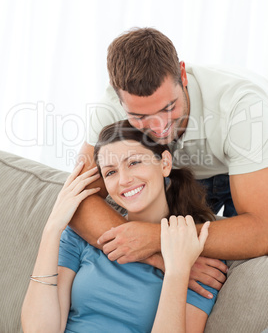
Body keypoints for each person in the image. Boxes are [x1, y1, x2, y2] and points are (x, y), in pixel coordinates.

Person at [70, 27, 268, 300]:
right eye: (140, 116)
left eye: (168, 107)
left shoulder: (243, 106)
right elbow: (76, 200)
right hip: (179, 171)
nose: (159, 128)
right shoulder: (109, 110)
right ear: (119, 100)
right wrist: (162, 256)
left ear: (183, 75)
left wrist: (157, 238)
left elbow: (262, 230)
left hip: (249, 167)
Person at [21, 121, 216, 333]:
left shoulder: (195, 253)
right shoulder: (81, 235)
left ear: (165, 163)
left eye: (134, 163)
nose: (124, 180)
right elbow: (38, 330)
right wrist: (52, 228)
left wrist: (177, 271)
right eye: (111, 172)